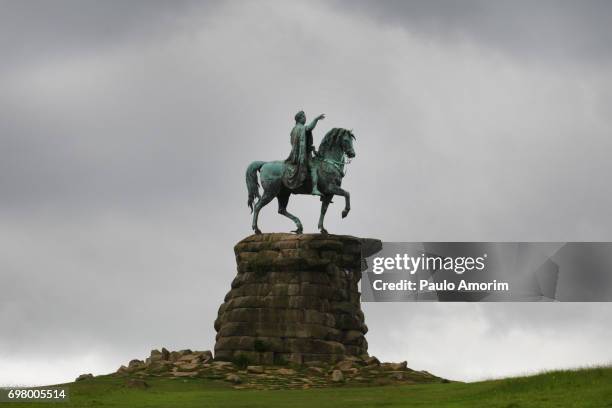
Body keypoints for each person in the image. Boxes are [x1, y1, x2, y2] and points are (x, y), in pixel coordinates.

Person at [284, 110, 325, 195]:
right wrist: (316, 119)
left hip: (298, 154)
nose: (305, 118)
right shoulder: (301, 128)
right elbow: (309, 127)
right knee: (313, 168)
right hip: (303, 155)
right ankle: (314, 189)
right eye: (304, 117)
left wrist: (310, 148)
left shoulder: (294, 129)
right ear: (300, 118)